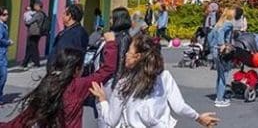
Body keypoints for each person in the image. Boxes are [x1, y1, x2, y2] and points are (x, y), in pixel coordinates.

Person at [90, 34, 219, 127]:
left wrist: (102, 100)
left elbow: (111, 120)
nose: (125, 55)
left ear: (137, 56)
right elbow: (179, 107)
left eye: (129, 52)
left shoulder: (124, 84)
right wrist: (198, 117)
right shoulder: (164, 77)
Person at [0, 33, 116, 128]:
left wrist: (0, 126)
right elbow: (107, 69)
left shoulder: (48, 82)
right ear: (77, 70)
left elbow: (25, 117)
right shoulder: (79, 86)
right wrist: (110, 43)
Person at [207, 8, 235, 108]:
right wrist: (222, 44)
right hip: (222, 51)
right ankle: (220, 99)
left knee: (220, 75)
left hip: (214, 51)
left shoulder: (218, 24)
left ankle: (218, 95)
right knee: (224, 75)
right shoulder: (228, 24)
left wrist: (213, 47)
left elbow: (210, 37)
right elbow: (221, 33)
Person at [50, 4, 89, 71]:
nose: (62, 16)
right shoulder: (70, 31)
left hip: (63, 73)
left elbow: (70, 57)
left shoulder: (75, 33)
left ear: (69, 16)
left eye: (64, 14)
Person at [21, 2, 47, 69]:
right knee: (30, 47)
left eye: (35, 6)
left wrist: (26, 21)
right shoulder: (41, 14)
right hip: (35, 33)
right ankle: (25, 63)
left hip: (34, 33)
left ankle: (36, 63)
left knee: (33, 48)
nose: (34, 7)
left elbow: (29, 21)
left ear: (38, 6)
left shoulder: (38, 14)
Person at [109, 8, 133, 79]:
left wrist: (117, 80)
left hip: (115, 77)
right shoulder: (118, 34)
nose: (110, 21)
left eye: (112, 18)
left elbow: (121, 59)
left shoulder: (124, 37)